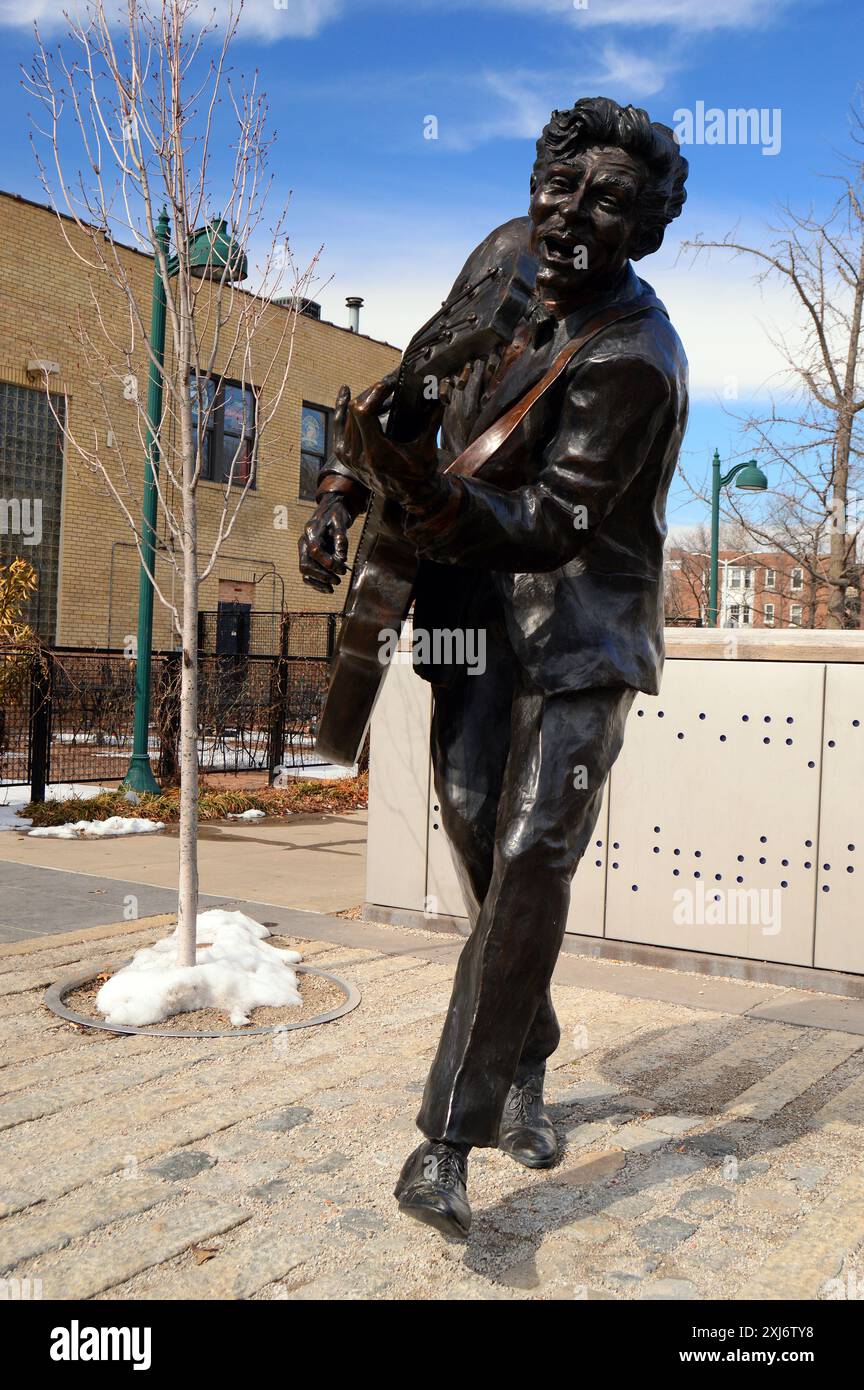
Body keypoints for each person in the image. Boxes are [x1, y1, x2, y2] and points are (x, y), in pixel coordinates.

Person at [299, 97, 689, 1240]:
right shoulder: (505, 254)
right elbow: (418, 379)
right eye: (561, 189)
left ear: (644, 228)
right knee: (472, 819)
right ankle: (531, 1032)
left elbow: (556, 523)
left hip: (578, 626)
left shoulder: (637, 360)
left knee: (530, 854)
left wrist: (425, 501)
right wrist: (344, 487)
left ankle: (447, 1142)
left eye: (610, 203)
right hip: (471, 599)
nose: (573, 218)